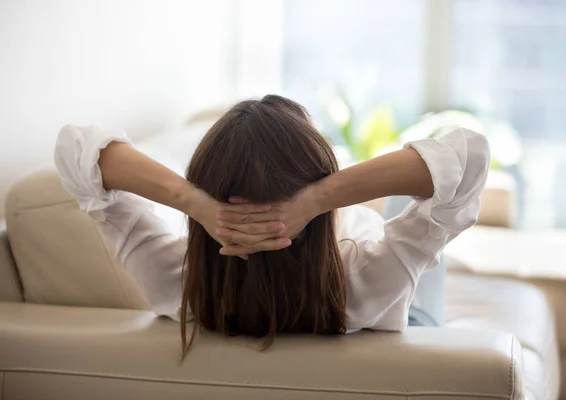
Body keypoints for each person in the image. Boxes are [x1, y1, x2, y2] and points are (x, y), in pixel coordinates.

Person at [54, 94, 489, 355]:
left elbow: (76, 149)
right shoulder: (367, 274)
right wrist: (319, 199)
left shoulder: (176, 280)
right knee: (406, 205)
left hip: (355, 267)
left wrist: (198, 206)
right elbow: (467, 155)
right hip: (408, 314)